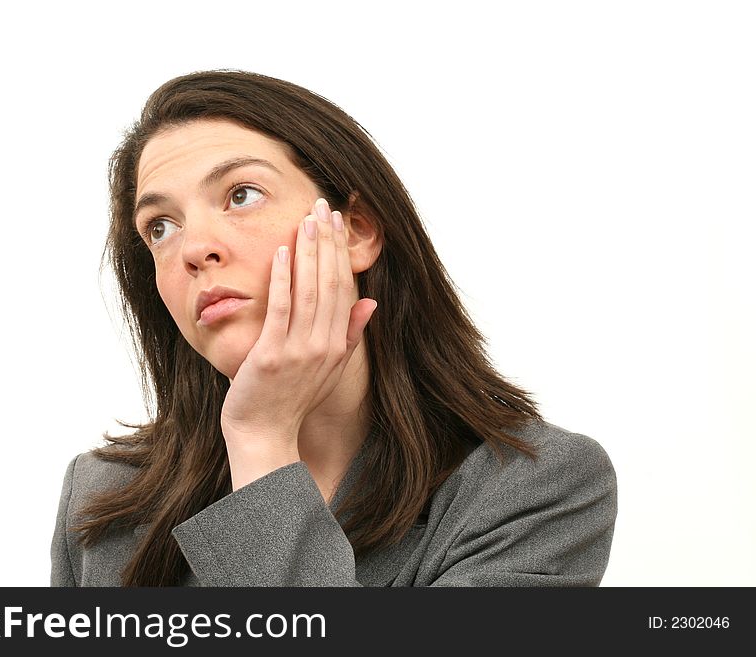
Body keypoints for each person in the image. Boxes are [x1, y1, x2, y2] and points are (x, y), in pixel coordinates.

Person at [50, 69, 617, 587]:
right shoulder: (100, 501)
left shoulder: (535, 491)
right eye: (161, 227)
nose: (195, 249)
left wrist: (262, 440)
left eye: (241, 195)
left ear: (356, 232)